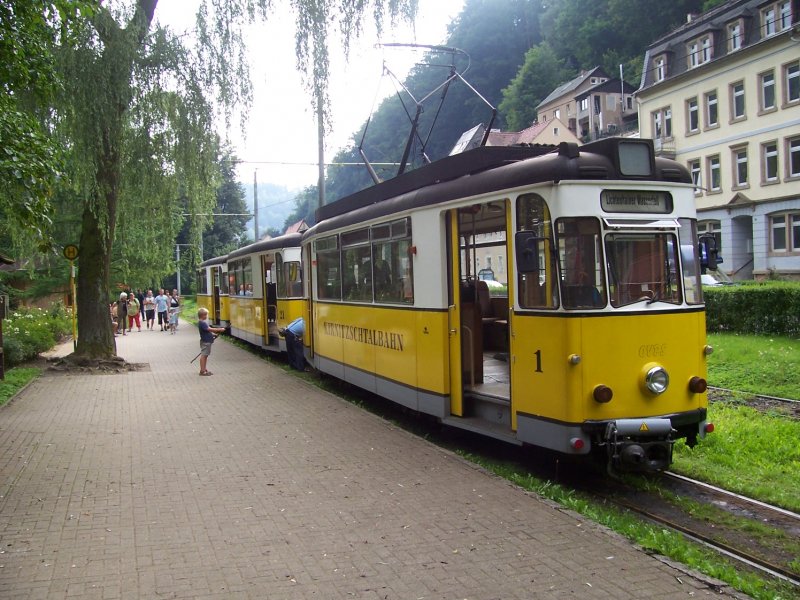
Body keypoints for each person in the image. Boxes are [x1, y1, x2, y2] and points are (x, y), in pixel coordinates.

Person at [197, 307, 225, 376]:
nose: (206, 316)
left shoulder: (202, 322)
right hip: (206, 342)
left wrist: (213, 335)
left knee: (205, 355)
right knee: (204, 355)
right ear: (202, 315)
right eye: (206, 315)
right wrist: (219, 329)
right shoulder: (202, 323)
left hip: (206, 341)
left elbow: (207, 332)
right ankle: (202, 371)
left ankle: (204, 369)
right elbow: (210, 329)